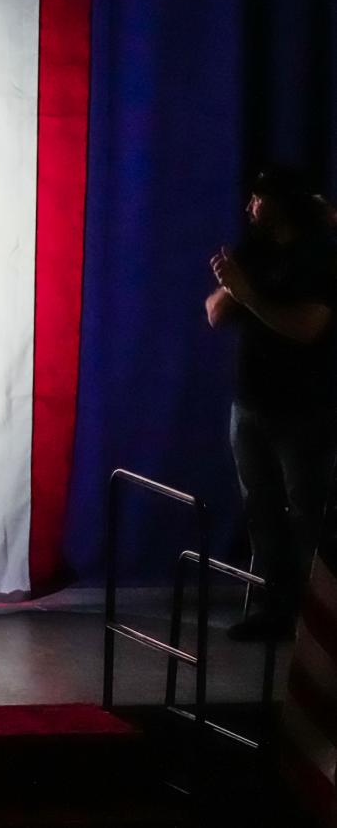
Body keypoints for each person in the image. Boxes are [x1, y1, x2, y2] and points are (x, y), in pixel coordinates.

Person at [207, 166, 337, 639]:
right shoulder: (254, 248)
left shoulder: (318, 256)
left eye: (259, 199)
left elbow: (307, 328)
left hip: (304, 409)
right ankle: (274, 610)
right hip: (251, 403)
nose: (249, 207)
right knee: (261, 510)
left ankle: (316, 621)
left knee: (308, 515)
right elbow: (215, 312)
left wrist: (250, 296)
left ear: (280, 203)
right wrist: (235, 290)